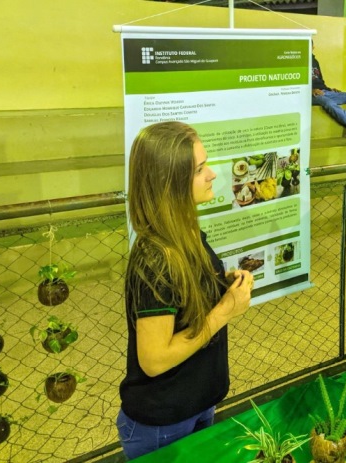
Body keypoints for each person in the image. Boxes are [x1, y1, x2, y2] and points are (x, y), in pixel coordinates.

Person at [117, 122, 254, 460]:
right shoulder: (155, 259)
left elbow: (183, 298)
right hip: (164, 422)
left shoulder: (187, 230)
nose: (212, 175)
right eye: (199, 169)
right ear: (171, 183)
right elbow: (154, 359)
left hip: (199, 403)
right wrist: (225, 309)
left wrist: (219, 284)